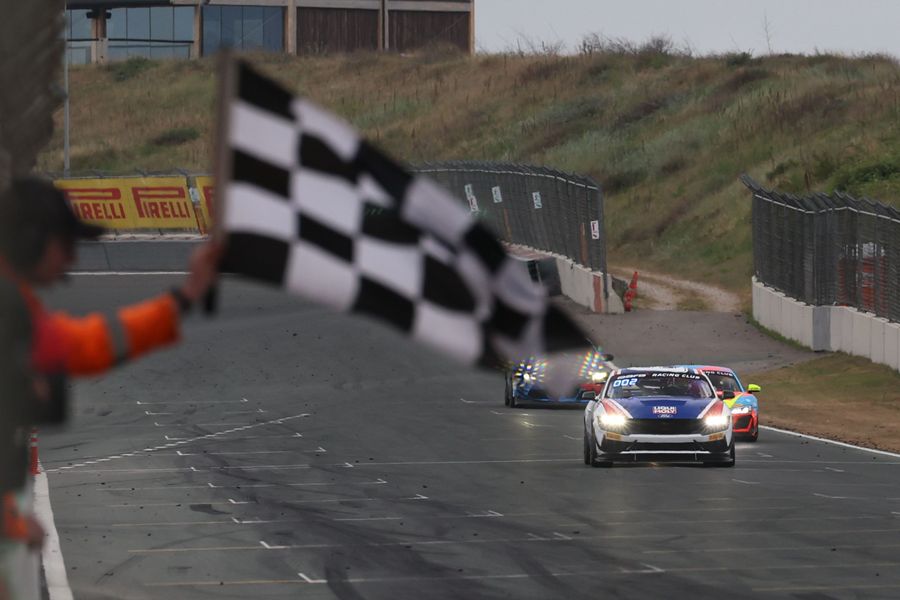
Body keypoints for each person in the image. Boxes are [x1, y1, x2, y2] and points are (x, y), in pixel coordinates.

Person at [0, 177, 220, 599]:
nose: (71, 257)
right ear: (29, 240)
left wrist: (184, 298)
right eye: (64, 243)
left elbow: (86, 344)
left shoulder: (16, 304)